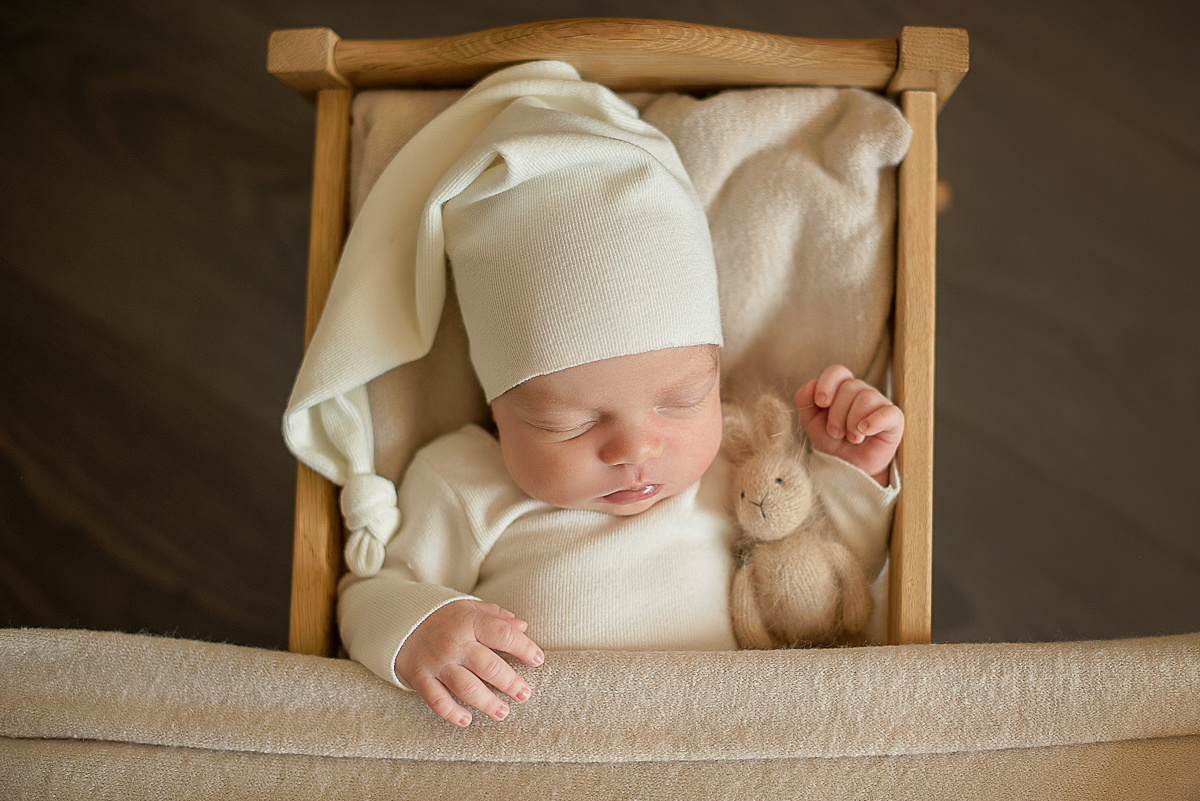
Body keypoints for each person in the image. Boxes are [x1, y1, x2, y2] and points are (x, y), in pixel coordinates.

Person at [282, 61, 903, 729]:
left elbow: (829, 586)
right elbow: (368, 593)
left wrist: (848, 470)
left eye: (681, 400)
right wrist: (421, 630)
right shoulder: (463, 480)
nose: (636, 448)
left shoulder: (732, 464)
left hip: (710, 747)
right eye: (570, 422)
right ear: (497, 406)